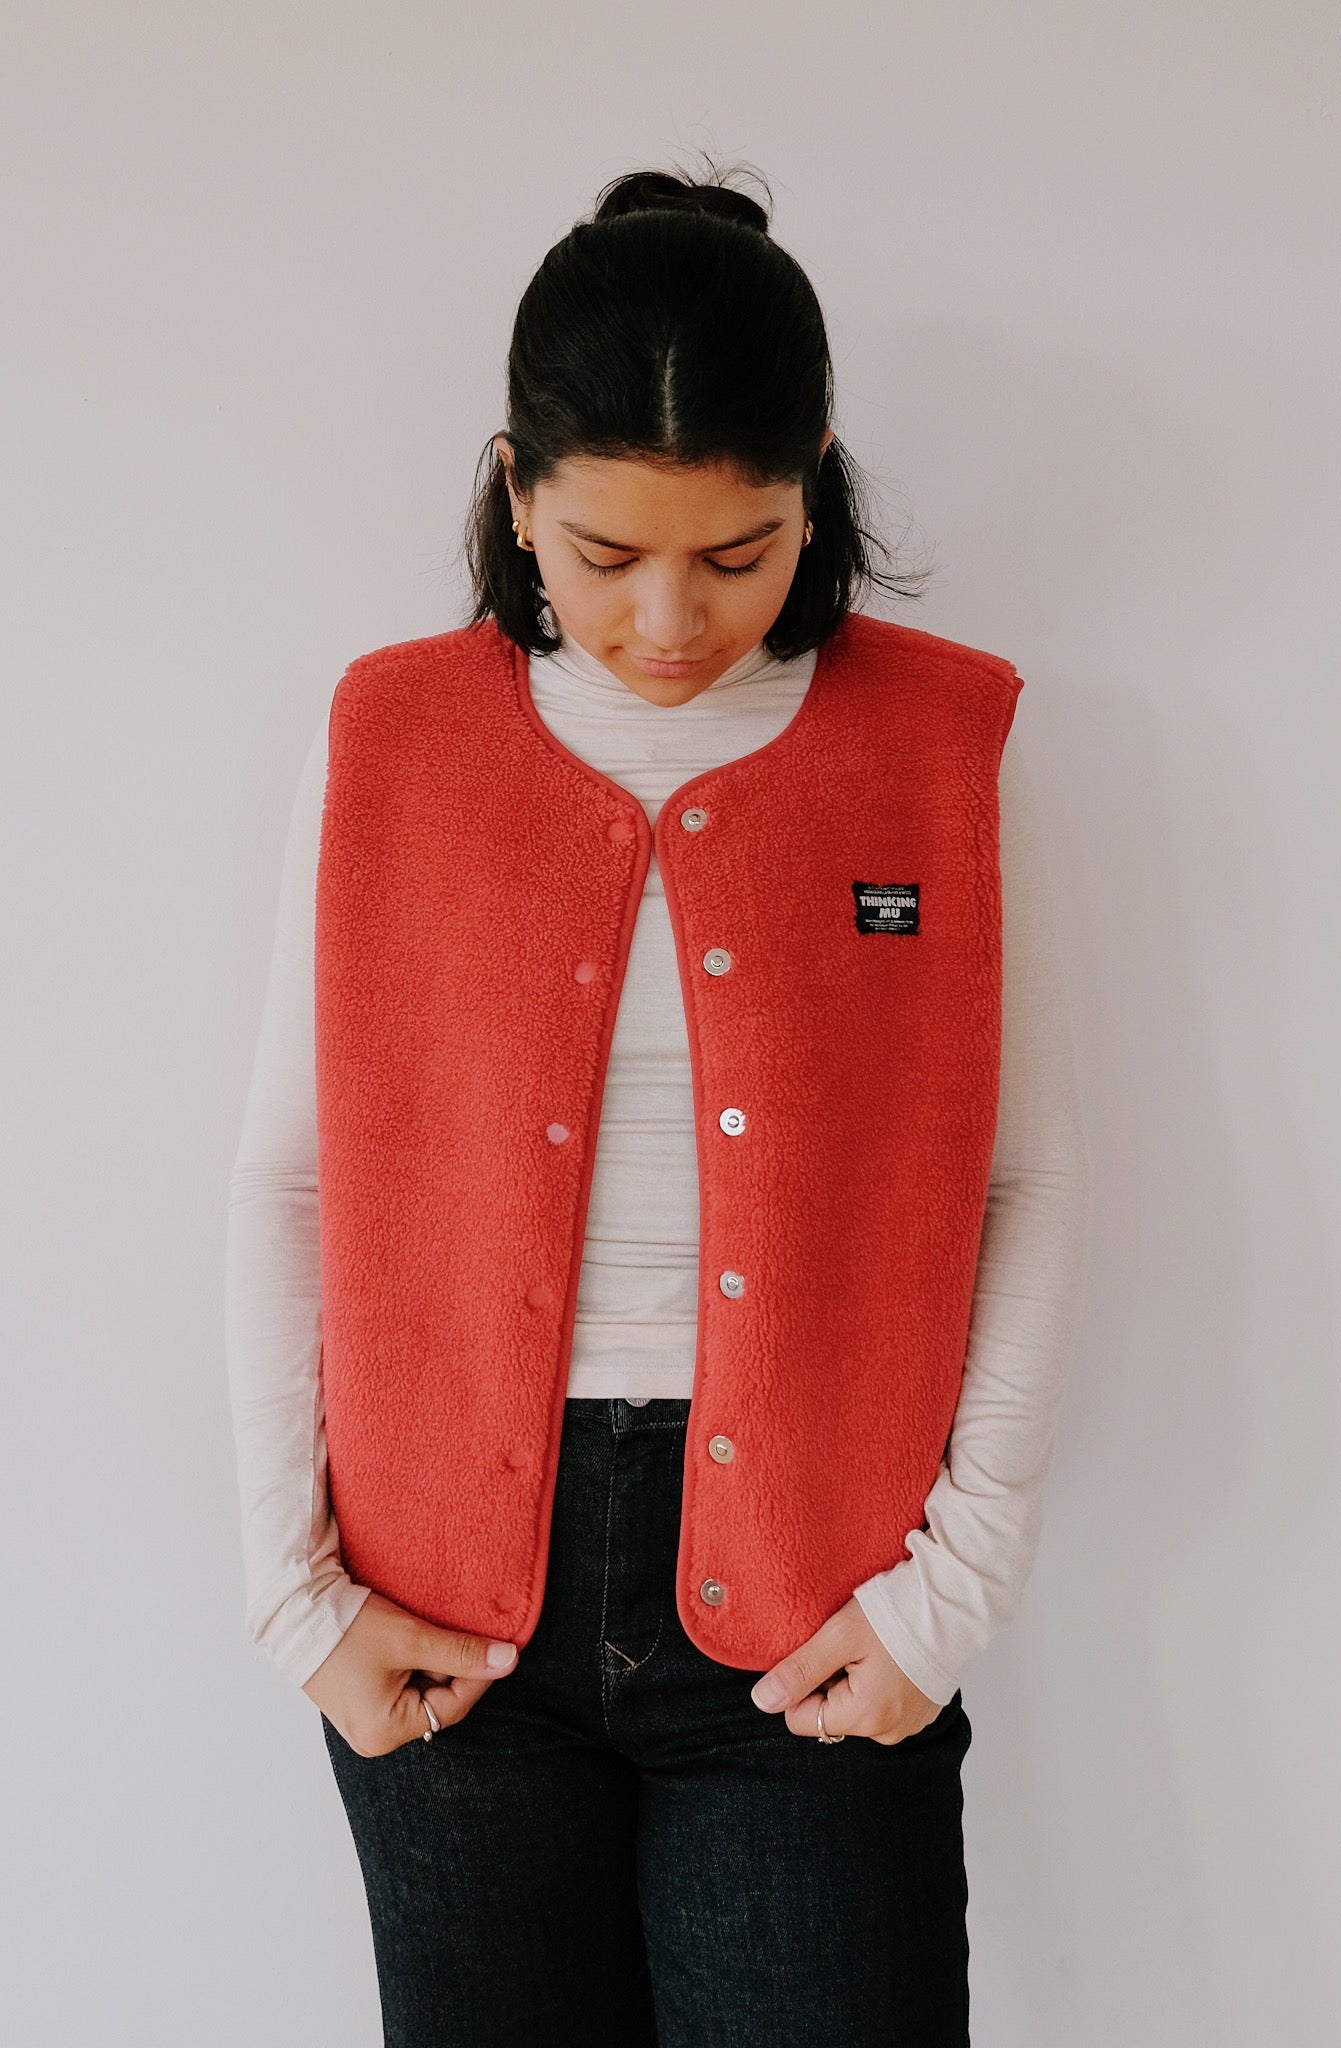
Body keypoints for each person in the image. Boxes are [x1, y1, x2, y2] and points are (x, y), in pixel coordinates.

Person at [225, 160, 1088, 2048]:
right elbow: (293, 1181)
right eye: (603, 555)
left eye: (740, 552)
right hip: (448, 1621)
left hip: (815, 1610)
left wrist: (952, 1592)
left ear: (815, 486)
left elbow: (1016, 1178)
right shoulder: (390, 738)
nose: (671, 620)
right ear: (515, 490)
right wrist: (295, 1596)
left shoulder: (937, 745)